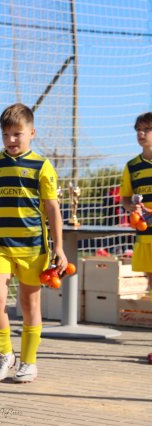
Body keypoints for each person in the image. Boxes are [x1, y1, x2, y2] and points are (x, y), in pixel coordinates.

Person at [0, 103, 68, 383]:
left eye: (17, 134)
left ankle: (29, 362)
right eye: (5, 134)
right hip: (0, 246)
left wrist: (58, 247)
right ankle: (5, 354)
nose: (11, 140)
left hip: (33, 248)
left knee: (29, 304)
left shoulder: (42, 166)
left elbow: (53, 208)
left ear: (32, 133)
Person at [119, 111, 152, 364]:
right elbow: (125, 198)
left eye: (146, 129)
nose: (141, 134)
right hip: (145, 238)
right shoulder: (132, 166)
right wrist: (133, 208)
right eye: (138, 130)